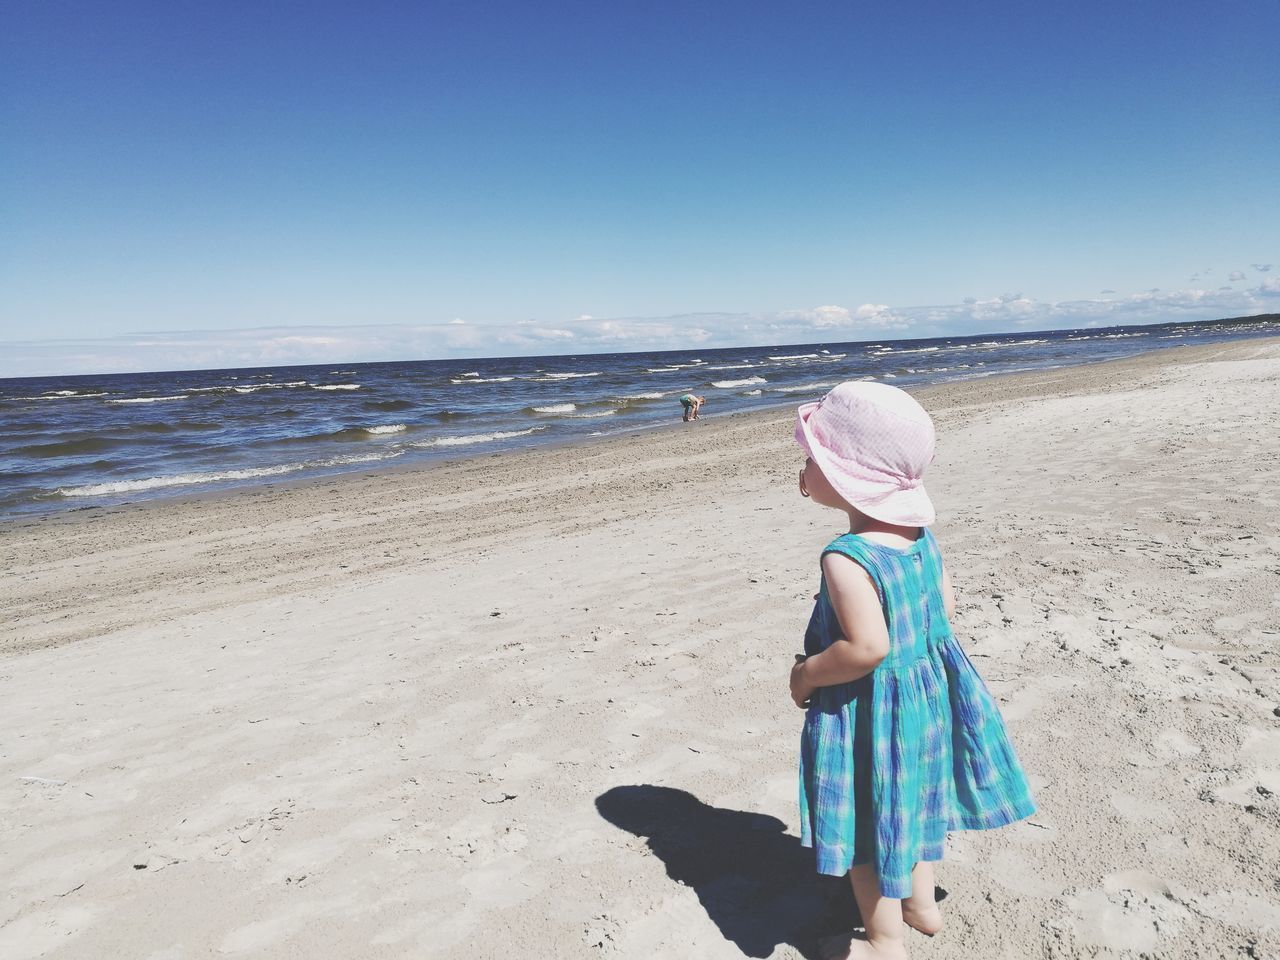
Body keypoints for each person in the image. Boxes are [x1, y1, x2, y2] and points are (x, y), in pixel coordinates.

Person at [788, 381, 1035, 959]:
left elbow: (867, 647)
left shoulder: (845, 556)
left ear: (845, 477)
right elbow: (941, 613)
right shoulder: (920, 537)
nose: (803, 466)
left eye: (812, 458)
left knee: (868, 828)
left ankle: (882, 940)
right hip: (927, 695)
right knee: (910, 804)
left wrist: (807, 674)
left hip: (871, 708)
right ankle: (922, 908)